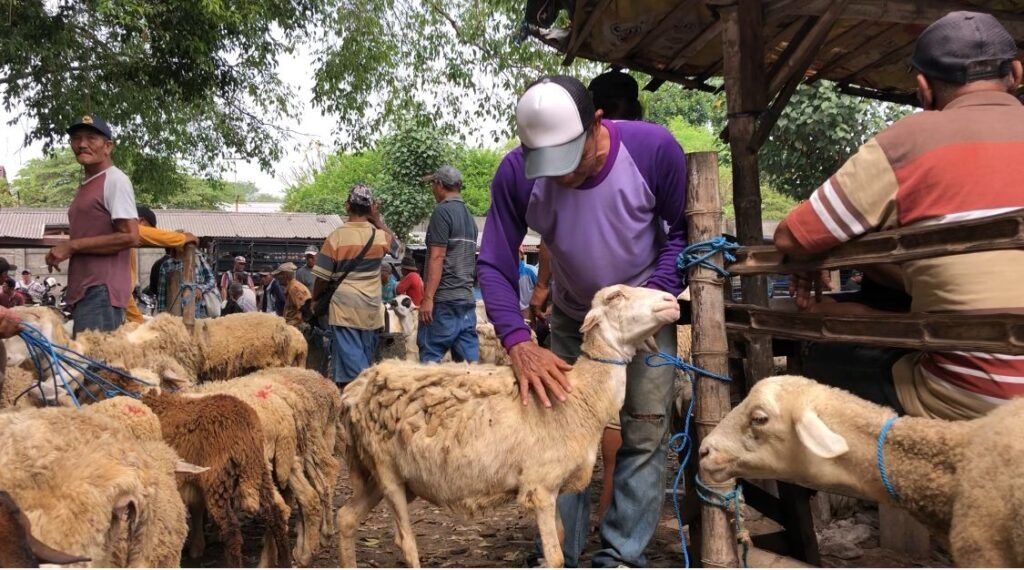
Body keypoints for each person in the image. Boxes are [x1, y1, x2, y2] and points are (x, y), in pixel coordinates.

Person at [773, 11, 1024, 421]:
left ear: (923, 88)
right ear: (1015, 72)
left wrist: (813, 253)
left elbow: (791, 237)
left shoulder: (908, 141)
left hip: (974, 399)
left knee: (824, 358)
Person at [477, 75, 686, 567]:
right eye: (549, 165)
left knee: (644, 430)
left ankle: (621, 556)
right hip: (576, 318)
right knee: (560, 433)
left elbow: (682, 233)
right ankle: (557, 552)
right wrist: (518, 341)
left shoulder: (653, 151)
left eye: (571, 158)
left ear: (596, 124)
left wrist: (647, 299)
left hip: (643, 318)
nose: (563, 176)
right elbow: (494, 262)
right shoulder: (516, 174)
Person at [45, 115, 138, 336]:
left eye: (91, 138)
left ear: (108, 147)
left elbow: (131, 236)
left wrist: (72, 246)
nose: (82, 144)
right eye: (76, 138)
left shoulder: (115, 180)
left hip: (102, 291)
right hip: (86, 291)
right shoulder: (88, 184)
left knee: (93, 357)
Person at [312, 184, 400, 386]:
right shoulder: (379, 236)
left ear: (347, 206)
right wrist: (378, 221)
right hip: (371, 312)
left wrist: (315, 299)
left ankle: (359, 402)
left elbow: (322, 278)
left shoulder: (336, 237)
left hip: (345, 312)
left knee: (353, 375)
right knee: (366, 365)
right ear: (370, 208)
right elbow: (400, 251)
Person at [418, 166, 480, 363]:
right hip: (466, 301)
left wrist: (428, 298)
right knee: (470, 367)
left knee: (429, 364)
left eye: (432, 185)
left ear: (439, 184)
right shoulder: (470, 218)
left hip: (444, 302)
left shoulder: (442, 212)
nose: (432, 190)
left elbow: (437, 257)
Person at [126, 206, 198, 323]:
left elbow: (123, 292)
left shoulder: (127, 247)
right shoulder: (126, 229)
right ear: (140, 221)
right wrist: (182, 238)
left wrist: (138, 320)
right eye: (150, 231)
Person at [272, 262, 312, 327]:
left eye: (279, 275)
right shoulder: (292, 287)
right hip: (292, 325)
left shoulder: (295, 288)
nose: (277, 277)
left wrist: (303, 327)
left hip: (296, 326)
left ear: (285, 275)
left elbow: (306, 309)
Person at [517, 246, 538, 318]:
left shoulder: (531, 271)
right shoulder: (505, 274)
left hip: (529, 314)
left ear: (522, 254)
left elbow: (544, 291)